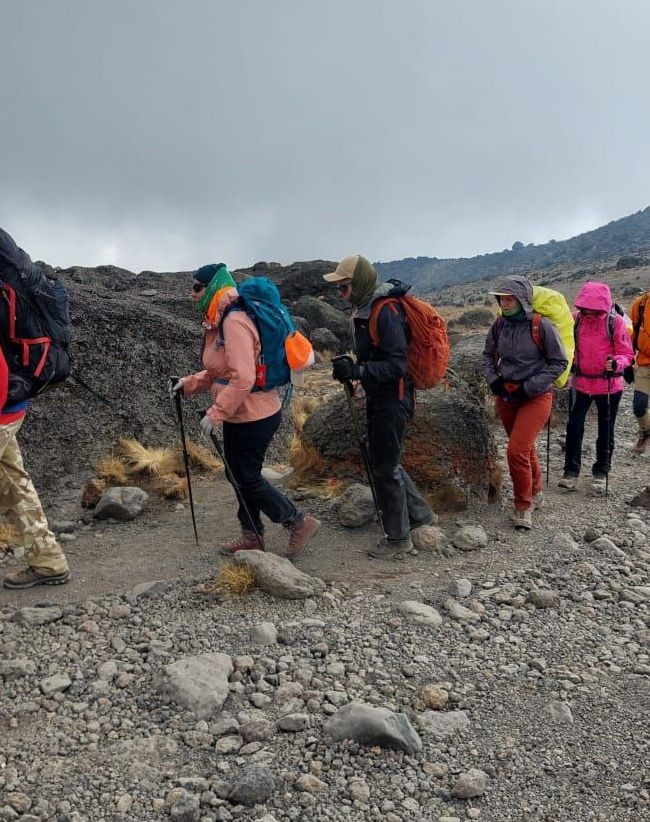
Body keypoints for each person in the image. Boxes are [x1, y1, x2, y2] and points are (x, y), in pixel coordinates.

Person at [170, 263, 320, 557]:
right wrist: (187, 384)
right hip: (243, 413)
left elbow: (244, 378)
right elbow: (220, 371)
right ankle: (252, 535)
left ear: (212, 288)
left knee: (247, 476)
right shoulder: (221, 319)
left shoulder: (234, 321)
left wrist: (216, 413)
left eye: (197, 287)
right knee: (237, 474)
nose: (192, 293)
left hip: (255, 415)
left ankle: (298, 522)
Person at [323, 254, 436, 558]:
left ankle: (398, 539)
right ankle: (421, 515)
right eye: (338, 288)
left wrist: (358, 371)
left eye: (344, 287)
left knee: (385, 467)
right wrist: (358, 372)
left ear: (360, 283)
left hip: (393, 400)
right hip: (381, 397)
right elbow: (375, 356)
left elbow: (397, 366)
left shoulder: (385, 312)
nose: (340, 293)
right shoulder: (365, 309)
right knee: (387, 461)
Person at [1, 235, 70, 589]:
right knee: (15, 483)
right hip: (13, 403)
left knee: (14, 482)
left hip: (4, 401)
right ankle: (48, 561)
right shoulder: (17, 277)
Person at [482, 275, 568, 529]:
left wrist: (529, 387)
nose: (504, 303)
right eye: (501, 299)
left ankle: (523, 506)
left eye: (510, 299)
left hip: (536, 397)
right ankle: (537, 490)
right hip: (506, 395)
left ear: (522, 300)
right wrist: (494, 381)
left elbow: (559, 363)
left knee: (516, 450)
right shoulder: (499, 325)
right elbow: (487, 355)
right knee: (524, 448)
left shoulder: (542, 326)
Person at [558, 282, 634, 491]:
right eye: (586, 307)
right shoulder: (575, 320)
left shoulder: (615, 323)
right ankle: (570, 472)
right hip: (580, 383)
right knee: (574, 427)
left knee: (606, 429)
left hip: (609, 385)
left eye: (594, 308)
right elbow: (565, 343)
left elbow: (627, 354)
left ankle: (601, 471)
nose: (589, 311)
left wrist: (616, 363)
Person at [629, 289, 650, 454]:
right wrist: (628, 360)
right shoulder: (640, 304)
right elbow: (631, 333)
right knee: (639, 406)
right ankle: (645, 432)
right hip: (644, 364)